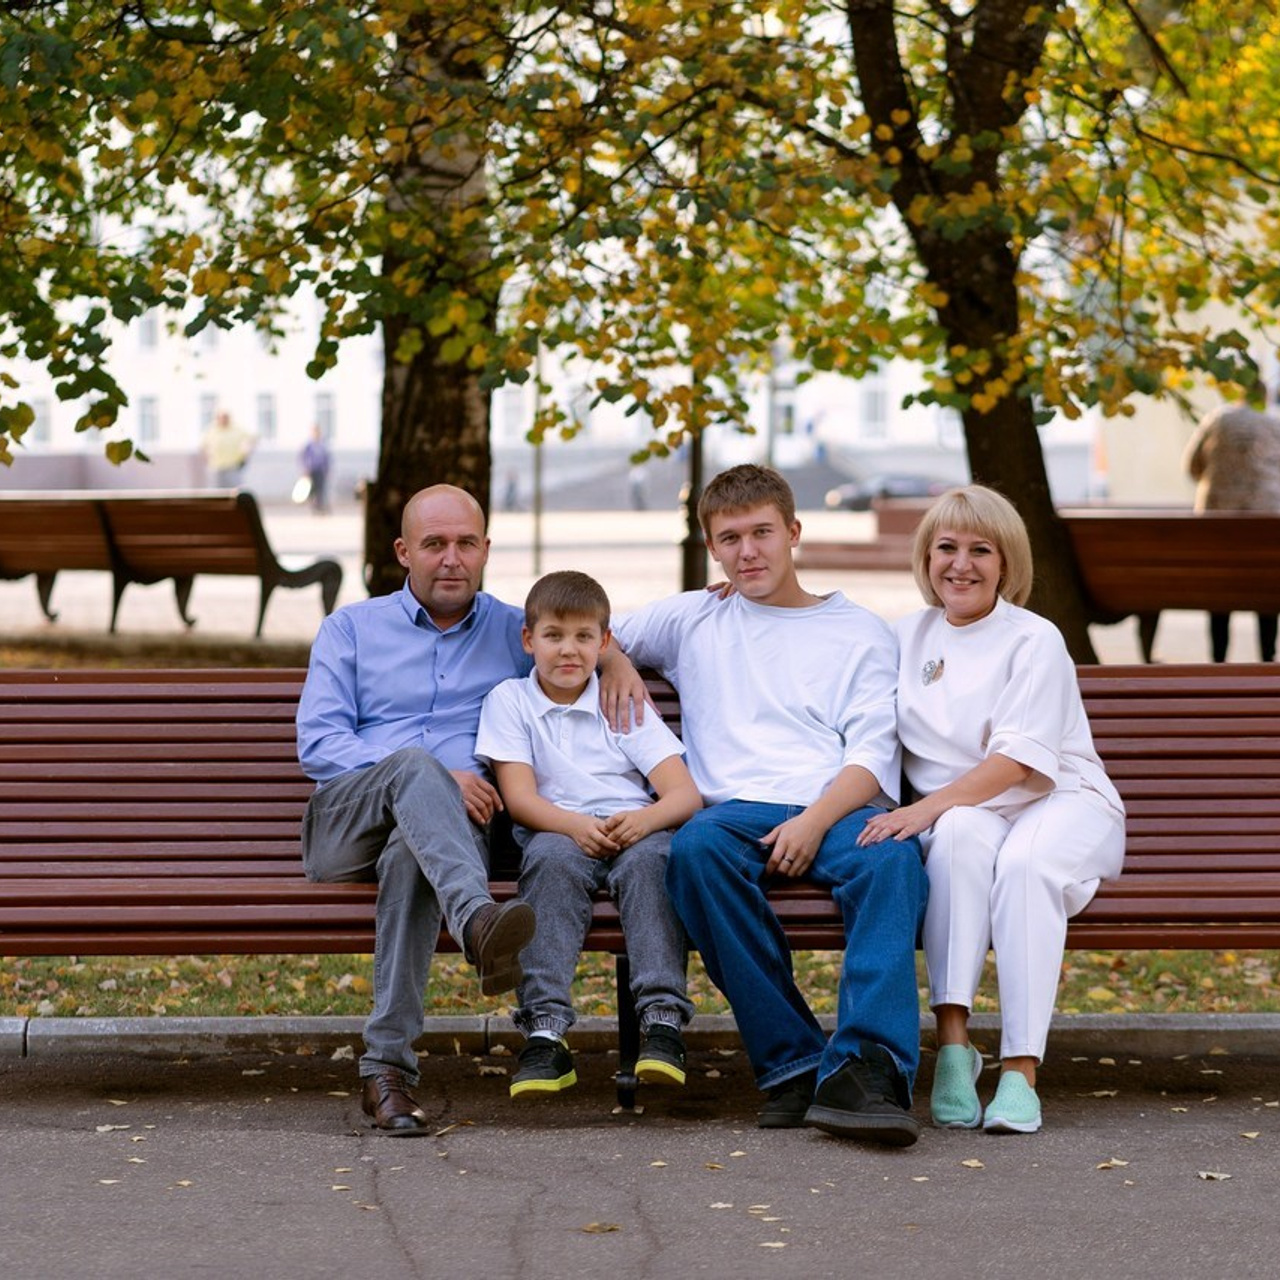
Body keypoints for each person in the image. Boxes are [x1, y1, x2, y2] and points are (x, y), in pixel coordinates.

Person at [601, 464, 929, 1146]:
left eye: (761, 534)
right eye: (730, 539)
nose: (747, 552)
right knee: (693, 851)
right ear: (711, 547)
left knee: (894, 862)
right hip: (735, 816)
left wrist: (812, 822)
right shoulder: (696, 616)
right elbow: (579, 626)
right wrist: (614, 658)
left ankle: (870, 1069)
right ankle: (796, 1064)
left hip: (836, 807)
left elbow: (871, 756)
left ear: (794, 533)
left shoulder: (860, 631)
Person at [858, 484, 1125, 1134]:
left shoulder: (1034, 639)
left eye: (982, 550)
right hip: (970, 812)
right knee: (956, 841)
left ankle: (1020, 1072)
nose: (961, 564)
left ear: (1007, 563)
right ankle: (954, 1048)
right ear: (926, 559)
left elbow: (1017, 764)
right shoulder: (904, 636)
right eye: (946, 547)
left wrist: (920, 811)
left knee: (1026, 866)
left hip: (1059, 798)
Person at [295, 485, 540, 1136]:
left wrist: (620, 661)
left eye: (465, 543)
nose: (451, 559)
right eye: (434, 544)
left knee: (413, 856)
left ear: (486, 549)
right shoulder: (351, 628)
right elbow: (319, 742)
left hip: (442, 842)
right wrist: (429, 777)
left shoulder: (518, 633)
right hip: (347, 825)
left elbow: (591, 643)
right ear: (404, 552)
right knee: (414, 767)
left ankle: (386, 1072)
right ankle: (477, 922)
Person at [476, 570, 701, 1097]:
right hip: (557, 828)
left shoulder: (620, 701)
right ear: (529, 640)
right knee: (551, 863)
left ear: (604, 642)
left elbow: (683, 795)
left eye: (583, 637)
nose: (568, 650)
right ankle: (545, 1033)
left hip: (634, 828)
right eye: (553, 636)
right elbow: (521, 799)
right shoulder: (511, 701)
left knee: (653, 864)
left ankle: (663, 1023)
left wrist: (643, 821)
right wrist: (577, 825)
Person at [1183, 387, 1280, 662]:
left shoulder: (1217, 420)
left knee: (1219, 585)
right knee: (1267, 583)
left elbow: (1191, 466)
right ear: (1266, 397)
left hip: (1218, 541)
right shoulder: (1275, 423)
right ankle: (1267, 657)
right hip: (1266, 543)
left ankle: (1218, 657)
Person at [201, 410, 255, 488]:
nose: (223, 419)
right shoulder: (211, 430)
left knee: (236, 489)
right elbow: (203, 446)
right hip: (216, 466)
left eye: (225, 417)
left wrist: (245, 454)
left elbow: (251, 440)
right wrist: (207, 458)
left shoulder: (237, 429)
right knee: (217, 491)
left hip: (233, 466)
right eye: (221, 417)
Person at [299, 425, 332, 515]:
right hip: (312, 470)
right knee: (312, 490)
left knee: (321, 489)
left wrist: (327, 469)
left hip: (320, 470)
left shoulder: (322, 444)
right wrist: (305, 469)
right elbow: (303, 457)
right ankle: (314, 507)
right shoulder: (309, 445)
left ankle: (320, 506)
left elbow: (327, 458)